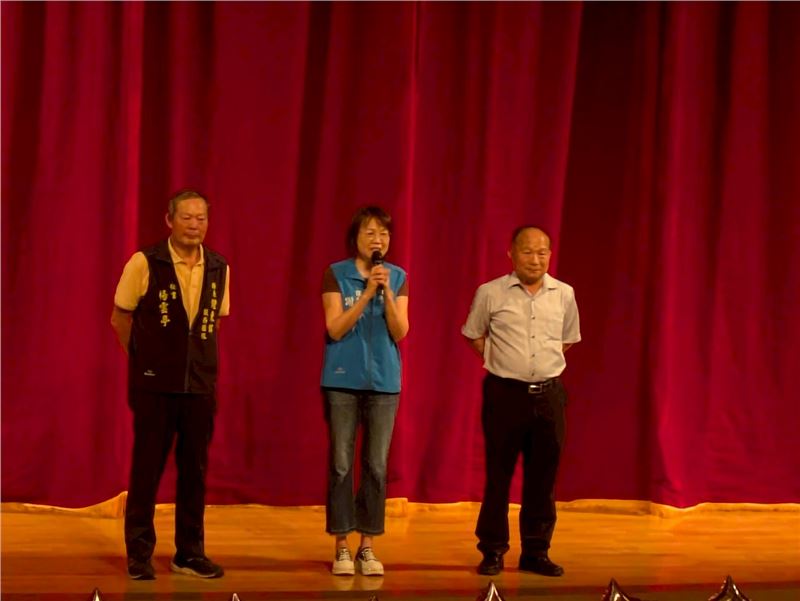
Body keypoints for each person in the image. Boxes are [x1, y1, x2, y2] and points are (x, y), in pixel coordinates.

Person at [110, 190, 230, 580]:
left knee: (195, 470)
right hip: (154, 386)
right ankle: (139, 553)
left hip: (200, 385)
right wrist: (144, 361)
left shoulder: (219, 266)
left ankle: (189, 553)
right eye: (186, 217)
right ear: (169, 220)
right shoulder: (145, 262)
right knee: (147, 468)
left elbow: (214, 322)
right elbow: (120, 317)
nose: (194, 225)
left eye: (201, 218)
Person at [462, 225, 580, 577]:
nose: (535, 259)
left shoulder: (564, 294)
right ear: (511, 254)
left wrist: (539, 367)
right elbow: (473, 334)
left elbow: (567, 340)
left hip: (548, 396)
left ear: (550, 255)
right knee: (498, 476)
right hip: (505, 395)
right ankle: (493, 549)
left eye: (542, 252)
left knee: (543, 478)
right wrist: (503, 362)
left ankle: (536, 551)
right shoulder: (491, 292)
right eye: (527, 251)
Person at [320, 206, 410, 577]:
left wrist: (385, 292)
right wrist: (366, 292)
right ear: (355, 237)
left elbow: (400, 331)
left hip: (384, 383)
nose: (378, 240)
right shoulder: (336, 274)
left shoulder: (398, 277)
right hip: (342, 379)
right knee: (342, 463)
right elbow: (335, 328)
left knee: (376, 465)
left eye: (383, 234)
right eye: (370, 232)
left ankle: (367, 546)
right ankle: (341, 545)